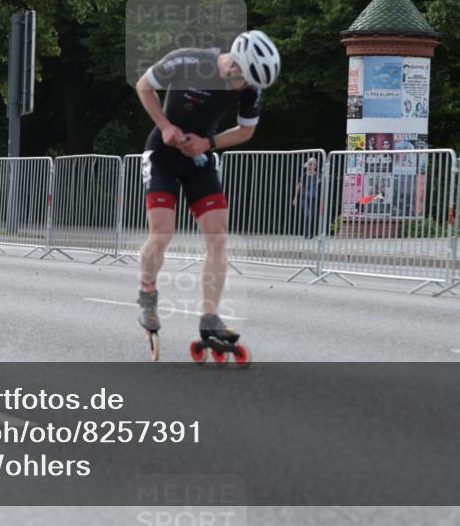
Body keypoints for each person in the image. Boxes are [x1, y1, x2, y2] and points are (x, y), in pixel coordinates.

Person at [134, 29, 280, 346]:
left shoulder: (251, 86)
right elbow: (144, 86)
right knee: (162, 232)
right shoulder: (187, 60)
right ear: (234, 64)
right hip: (162, 152)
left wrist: (208, 143)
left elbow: (245, 131)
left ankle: (210, 318)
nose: (247, 87)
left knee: (217, 237)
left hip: (198, 157)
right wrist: (166, 126)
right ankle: (147, 293)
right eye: (245, 79)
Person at [292, 157, 320, 239]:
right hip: (304, 198)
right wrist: (295, 198)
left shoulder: (318, 175)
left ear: (315, 165)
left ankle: (307, 233)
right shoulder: (304, 175)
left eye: (313, 164)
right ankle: (307, 233)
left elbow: (320, 183)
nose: (311, 166)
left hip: (314, 198)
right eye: (310, 164)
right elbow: (298, 186)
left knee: (311, 216)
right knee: (308, 215)